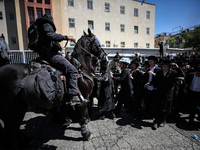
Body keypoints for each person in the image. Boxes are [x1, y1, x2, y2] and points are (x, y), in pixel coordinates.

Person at [38, 14, 85, 105]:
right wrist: (66, 37)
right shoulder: (46, 23)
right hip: (51, 55)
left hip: (46, 54)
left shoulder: (40, 26)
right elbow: (50, 35)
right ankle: (73, 96)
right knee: (73, 70)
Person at [144, 59, 184, 130]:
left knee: (165, 108)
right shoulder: (159, 73)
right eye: (163, 66)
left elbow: (182, 75)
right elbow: (154, 81)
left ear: (169, 67)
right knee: (157, 107)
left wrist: (177, 67)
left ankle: (163, 120)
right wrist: (148, 83)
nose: (164, 68)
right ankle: (156, 121)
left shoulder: (173, 73)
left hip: (168, 93)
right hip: (159, 93)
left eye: (166, 67)